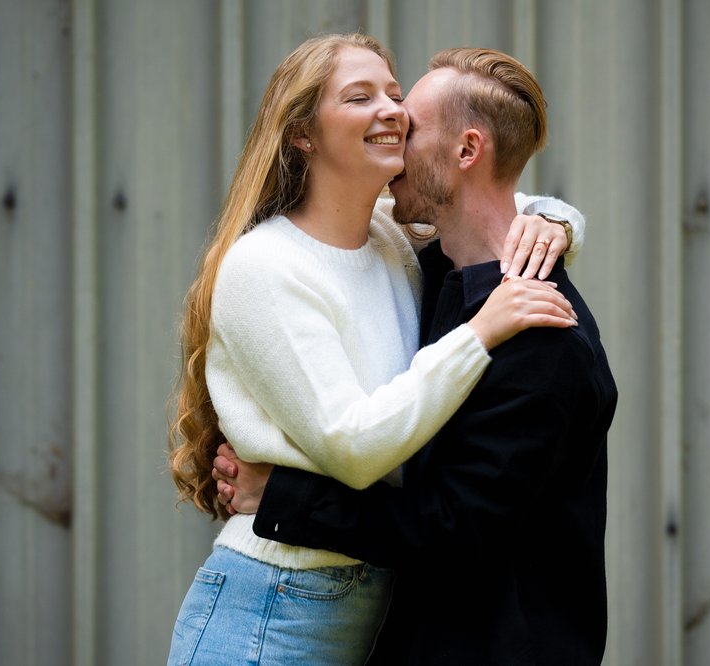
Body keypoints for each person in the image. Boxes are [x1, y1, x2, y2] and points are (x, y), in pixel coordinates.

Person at [167, 33, 586, 665]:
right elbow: (355, 447)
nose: (392, 109)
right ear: (303, 133)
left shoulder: (394, 241)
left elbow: (500, 201)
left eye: (395, 95)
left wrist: (558, 225)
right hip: (273, 610)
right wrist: (481, 332)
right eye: (359, 97)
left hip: (369, 608)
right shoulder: (267, 266)